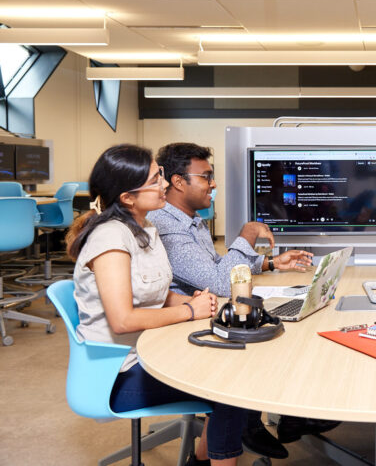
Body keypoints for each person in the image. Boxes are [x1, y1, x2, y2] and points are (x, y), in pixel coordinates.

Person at [147, 142, 338, 452]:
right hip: (186, 327)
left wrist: (270, 262)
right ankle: (261, 421)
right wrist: (247, 234)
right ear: (179, 182)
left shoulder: (191, 220)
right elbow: (221, 281)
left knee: (288, 320)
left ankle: (284, 416)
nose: (213, 184)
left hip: (210, 312)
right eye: (206, 177)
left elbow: (214, 267)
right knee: (277, 333)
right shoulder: (167, 226)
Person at [66, 144, 247, 466]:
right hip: (117, 374)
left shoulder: (145, 227)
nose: (164, 184)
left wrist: (192, 301)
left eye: (160, 175)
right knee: (233, 389)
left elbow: (156, 292)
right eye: (154, 180)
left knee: (238, 364)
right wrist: (189, 311)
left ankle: (204, 460)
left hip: (149, 351)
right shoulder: (110, 240)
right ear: (127, 198)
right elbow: (123, 320)